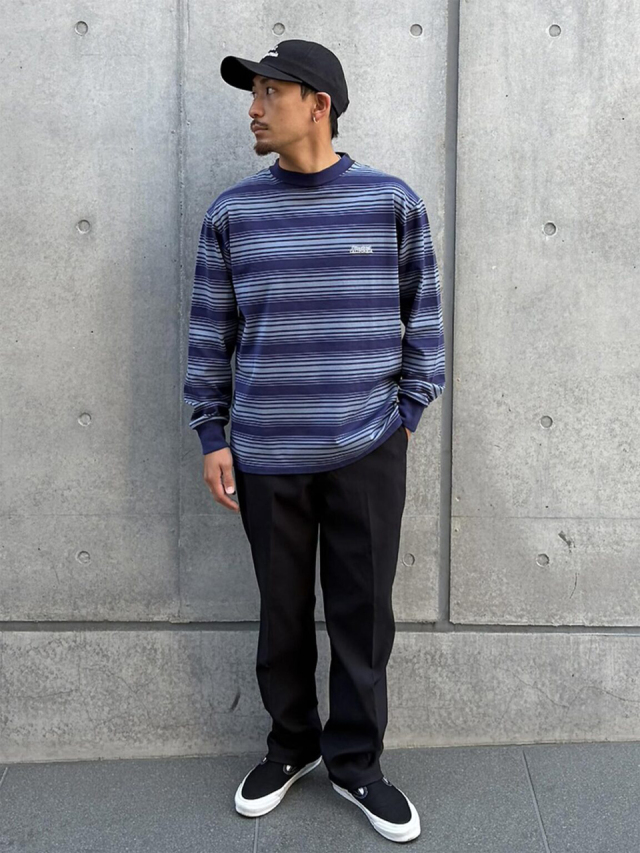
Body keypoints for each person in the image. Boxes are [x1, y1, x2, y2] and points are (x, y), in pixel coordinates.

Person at [183, 38, 445, 844]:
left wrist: (403, 416)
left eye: (270, 92)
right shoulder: (232, 214)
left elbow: (426, 325)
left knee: (364, 615)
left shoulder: (391, 202)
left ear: (318, 105)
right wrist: (212, 433)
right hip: (266, 454)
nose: (253, 109)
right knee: (283, 613)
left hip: (368, 448)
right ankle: (290, 745)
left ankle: (357, 762)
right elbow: (210, 333)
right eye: (253, 93)